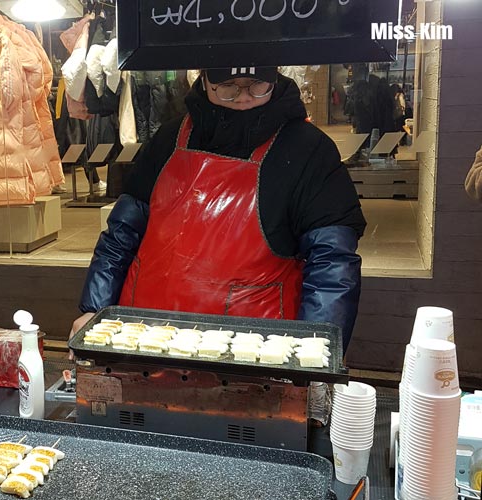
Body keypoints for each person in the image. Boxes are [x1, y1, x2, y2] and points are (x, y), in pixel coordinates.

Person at [71, 67, 366, 351]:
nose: (243, 97)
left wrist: (315, 349)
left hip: (253, 357)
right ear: (204, 80)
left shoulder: (308, 151)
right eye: (227, 86)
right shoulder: (167, 140)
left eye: (256, 84)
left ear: (275, 77)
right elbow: (121, 236)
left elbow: (333, 265)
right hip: (143, 343)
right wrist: (94, 311)